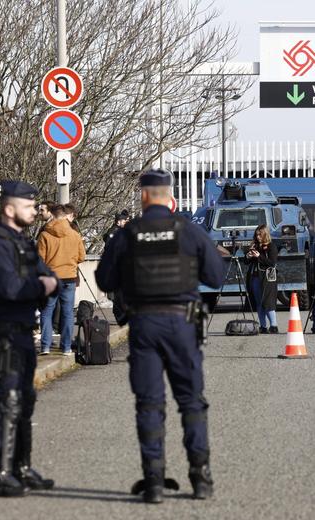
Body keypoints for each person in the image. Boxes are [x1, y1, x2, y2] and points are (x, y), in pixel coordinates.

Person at [95, 168, 225, 504]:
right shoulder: (188, 230)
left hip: (144, 326)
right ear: (171, 198)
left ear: (142, 197)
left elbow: (105, 280)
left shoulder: (129, 234)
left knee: (150, 404)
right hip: (182, 324)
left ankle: (153, 482)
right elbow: (215, 274)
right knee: (191, 402)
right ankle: (201, 478)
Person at [0, 180, 58, 497]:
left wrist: (44, 284)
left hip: (23, 330)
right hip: (4, 332)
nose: (34, 211)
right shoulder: (1, 243)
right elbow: (9, 287)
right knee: (7, 401)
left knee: (25, 400)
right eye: (28, 206)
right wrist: (40, 286)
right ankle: (2, 471)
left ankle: (21, 467)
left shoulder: (23, 242)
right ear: (9, 209)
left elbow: (51, 277)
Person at [37, 204, 85, 355]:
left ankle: (45, 346)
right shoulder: (74, 235)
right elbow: (81, 257)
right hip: (69, 278)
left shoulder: (45, 234)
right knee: (67, 312)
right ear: (65, 216)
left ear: (52, 215)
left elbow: (39, 260)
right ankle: (65, 347)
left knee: (47, 311)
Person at [245, 224, 279, 334]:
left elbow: (272, 263)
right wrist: (249, 256)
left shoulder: (271, 246)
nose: (258, 237)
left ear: (265, 234)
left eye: (260, 235)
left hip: (267, 278)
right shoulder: (254, 246)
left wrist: (259, 256)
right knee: (259, 302)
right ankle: (263, 326)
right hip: (255, 277)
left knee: (267, 302)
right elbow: (246, 261)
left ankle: (273, 326)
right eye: (256, 235)